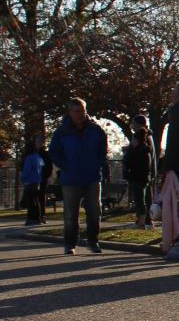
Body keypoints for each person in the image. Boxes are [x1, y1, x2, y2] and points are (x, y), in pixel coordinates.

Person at [48, 97, 110, 256]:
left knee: (95, 211)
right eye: (76, 111)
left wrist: (98, 164)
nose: (80, 114)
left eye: (82, 111)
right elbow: (53, 152)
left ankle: (93, 241)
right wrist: (66, 166)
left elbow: (103, 149)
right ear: (70, 112)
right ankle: (70, 244)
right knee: (70, 214)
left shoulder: (95, 130)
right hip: (71, 178)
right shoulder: (61, 132)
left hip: (92, 176)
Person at [123, 114, 156, 228]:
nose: (131, 125)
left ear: (138, 124)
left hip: (142, 173)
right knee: (145, 197)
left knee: (142, 198)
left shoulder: (144, 138)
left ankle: (144, 220)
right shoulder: (147, 136)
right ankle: (146, 219)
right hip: (147, 172)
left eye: (133, 123)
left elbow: (141, 156)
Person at [19, 144, 45, 224]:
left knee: (30, 200)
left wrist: (23, 178)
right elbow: (42, 168)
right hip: (37, 180)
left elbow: (26, 170)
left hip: (30, 181)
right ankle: (38, 217)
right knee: (36, 199)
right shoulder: (38, 157)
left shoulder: (29, 158)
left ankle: (31, 217)